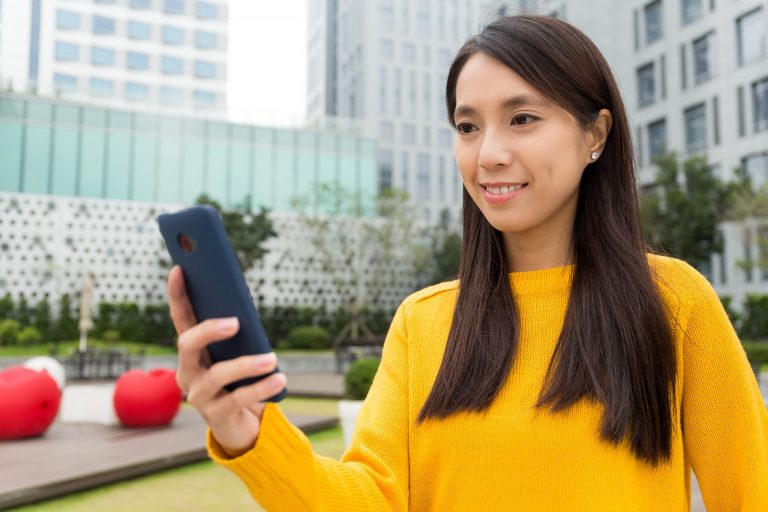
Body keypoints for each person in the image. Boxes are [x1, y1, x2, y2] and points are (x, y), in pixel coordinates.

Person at [167, 14, 768, 511]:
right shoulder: (423, 324)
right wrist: (249, 435)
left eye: (522, 119)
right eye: (467, 126)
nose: (490, 154)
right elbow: (369, 500)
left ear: (596, 134)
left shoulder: (673, 301)